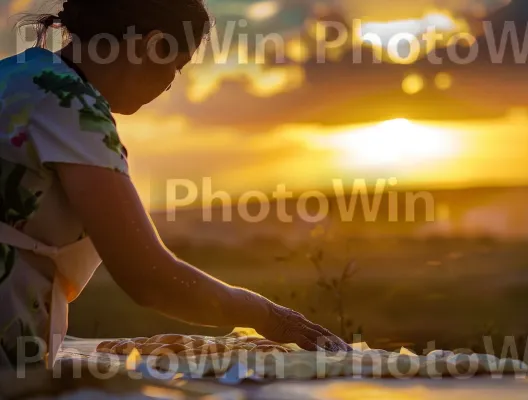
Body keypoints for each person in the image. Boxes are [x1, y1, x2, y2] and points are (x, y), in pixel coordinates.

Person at [0, 0, 350, 370]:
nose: (170, 85)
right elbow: (149, 278)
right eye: (176, 66)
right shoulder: (71, 105)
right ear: (151, 46)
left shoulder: (16, 76)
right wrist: (269, 317)